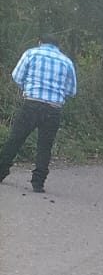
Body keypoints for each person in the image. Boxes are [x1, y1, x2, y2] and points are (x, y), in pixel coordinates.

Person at [0, 36, 78, 193]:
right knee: (44, 146)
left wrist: (29, 86)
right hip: (53, 109)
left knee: (15, 139)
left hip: (31, 104)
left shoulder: (31, 54)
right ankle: (38, 183)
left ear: (40, 42)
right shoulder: (67, 62)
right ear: (58, 45)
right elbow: (71, 91)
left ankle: (1, 171)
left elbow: (17, 76)